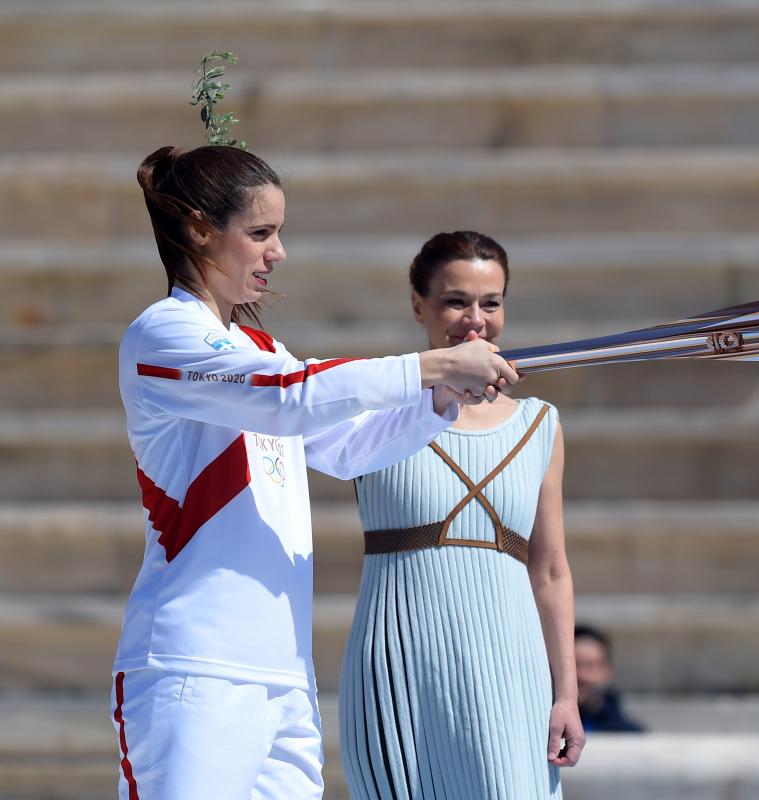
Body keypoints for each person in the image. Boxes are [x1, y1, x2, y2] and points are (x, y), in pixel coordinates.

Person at [112, 146, 518, 800]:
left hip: (283, 672)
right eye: (261, 234)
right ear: (198, 230)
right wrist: (436, 367)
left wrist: (441, 402)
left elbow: (349, 445)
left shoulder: (262, 349)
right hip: (195, 667)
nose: (280, 252)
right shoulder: (163, 336)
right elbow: (291, 395)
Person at [340, 231, 584, 799]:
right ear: (418, 303)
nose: (474, 320)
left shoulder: (539, 423)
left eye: (490, 303)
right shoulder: (376, 405)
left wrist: (566, 694)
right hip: (399, 661)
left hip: (511, 666)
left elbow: (550, 571)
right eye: (455, 301)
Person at [574, 625, 645, 733]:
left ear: (607, 671)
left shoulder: (630, 735)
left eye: (590, 666)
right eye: (573, 665)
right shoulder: (545, 731)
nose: (581, 675)